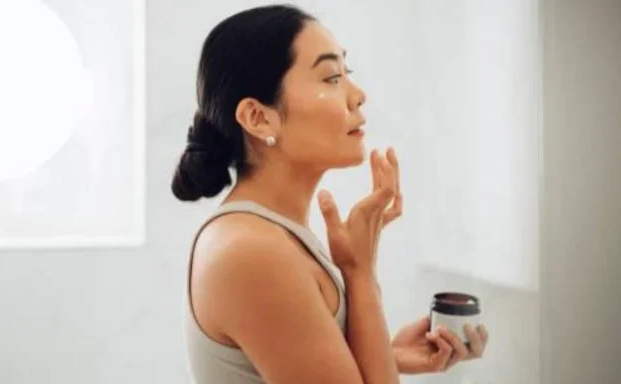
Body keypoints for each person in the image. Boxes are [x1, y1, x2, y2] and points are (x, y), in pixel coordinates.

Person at [171, 5, 488, 384]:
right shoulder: (252, 252)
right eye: (332, 77)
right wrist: (360, 274)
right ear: (258, 117)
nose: (358, 95)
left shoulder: (271, 235)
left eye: (346, 72)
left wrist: (386, 353)